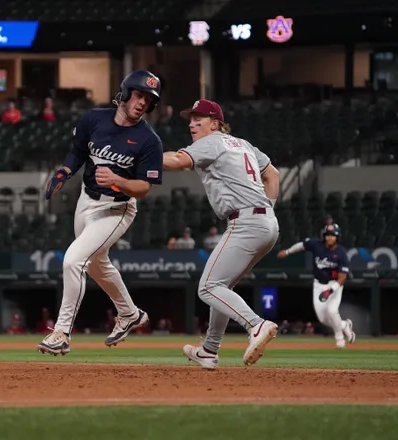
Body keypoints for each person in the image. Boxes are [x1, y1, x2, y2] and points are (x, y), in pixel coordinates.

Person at [38, 69, 164, 356]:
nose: (143, 102)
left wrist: (118, 181)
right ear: (125, 92)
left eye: (149, 99)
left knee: (73, 260)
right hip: (86, 200)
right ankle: (130, 314)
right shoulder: (94, 119)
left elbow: (144, 188)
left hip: (117, 207)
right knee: (96, 264)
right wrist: (64, 172)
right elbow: (78, 151)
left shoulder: (149, 140)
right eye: (139, 94)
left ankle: (61, 333)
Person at [162, 99, 281, 368]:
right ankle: (209, 349)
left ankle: (256, 325)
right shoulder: (244, 144)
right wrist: (266, 209)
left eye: (198, 119)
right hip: (266, 222)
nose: (192, 124)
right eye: (190, 119)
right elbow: (272, 175)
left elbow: (178, 160)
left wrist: (142, 158)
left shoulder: (212, 141)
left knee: (208, 287)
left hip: (246, 222)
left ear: (215, 124)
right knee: (221, 285)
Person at [277, 223, 356, 348]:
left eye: (332, 235)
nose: (330, 238)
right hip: (318, 284)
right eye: (327, 235)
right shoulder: (317, 245)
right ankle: (344, 325)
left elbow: (342, 278)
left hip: (334, 284)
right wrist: (288, 251)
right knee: (323, 319)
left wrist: (331, 290)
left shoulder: (341, 253)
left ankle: (339, 339)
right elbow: (302, 245)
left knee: (332, 310)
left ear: (337, 237)